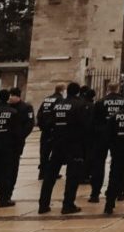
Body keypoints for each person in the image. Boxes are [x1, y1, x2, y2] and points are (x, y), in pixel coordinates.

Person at [38, 81, 90, 214]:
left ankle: (43, 204)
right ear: (78, 92)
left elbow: (47, 122)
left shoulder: (58, 104)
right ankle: (68, 204)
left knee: (50, 175)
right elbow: (85, 126)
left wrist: (51, 136)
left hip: (57, 142)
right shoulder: (80, 104)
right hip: (73, 143)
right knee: (72, 176)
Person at [89, 84, 124, 201]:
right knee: (119, 164)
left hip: (102, 135)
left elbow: (93, 121)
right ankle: (120, 191)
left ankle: (95, 193)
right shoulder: (123, 101)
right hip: (118, 135)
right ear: (118, 89)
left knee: (98, 164)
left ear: (108, 90)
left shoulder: (100, 102)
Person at [35, 84, 64, 181]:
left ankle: (42, 172)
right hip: (54, 130)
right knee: (55, 153)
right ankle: (51, 173)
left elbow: (39, 113)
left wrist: (42, 126)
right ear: (62, 90)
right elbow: (59, 114)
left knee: (44, 152)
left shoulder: (47, 99)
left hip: (45, 130)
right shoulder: (60, 100)